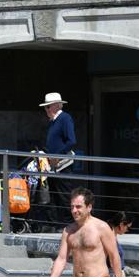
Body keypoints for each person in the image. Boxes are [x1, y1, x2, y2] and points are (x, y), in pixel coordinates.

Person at [39, 92, 77, 230]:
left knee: (64, 194)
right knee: (54, 195)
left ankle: (67, 224)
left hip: (62, 164)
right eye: (46, 107)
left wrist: (57, 155)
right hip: (53, 165)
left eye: (48, 107)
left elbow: (72, 140)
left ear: (56, 106)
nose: (46, 110)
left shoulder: (65, 118)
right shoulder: (53, 121)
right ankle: (57, 224)